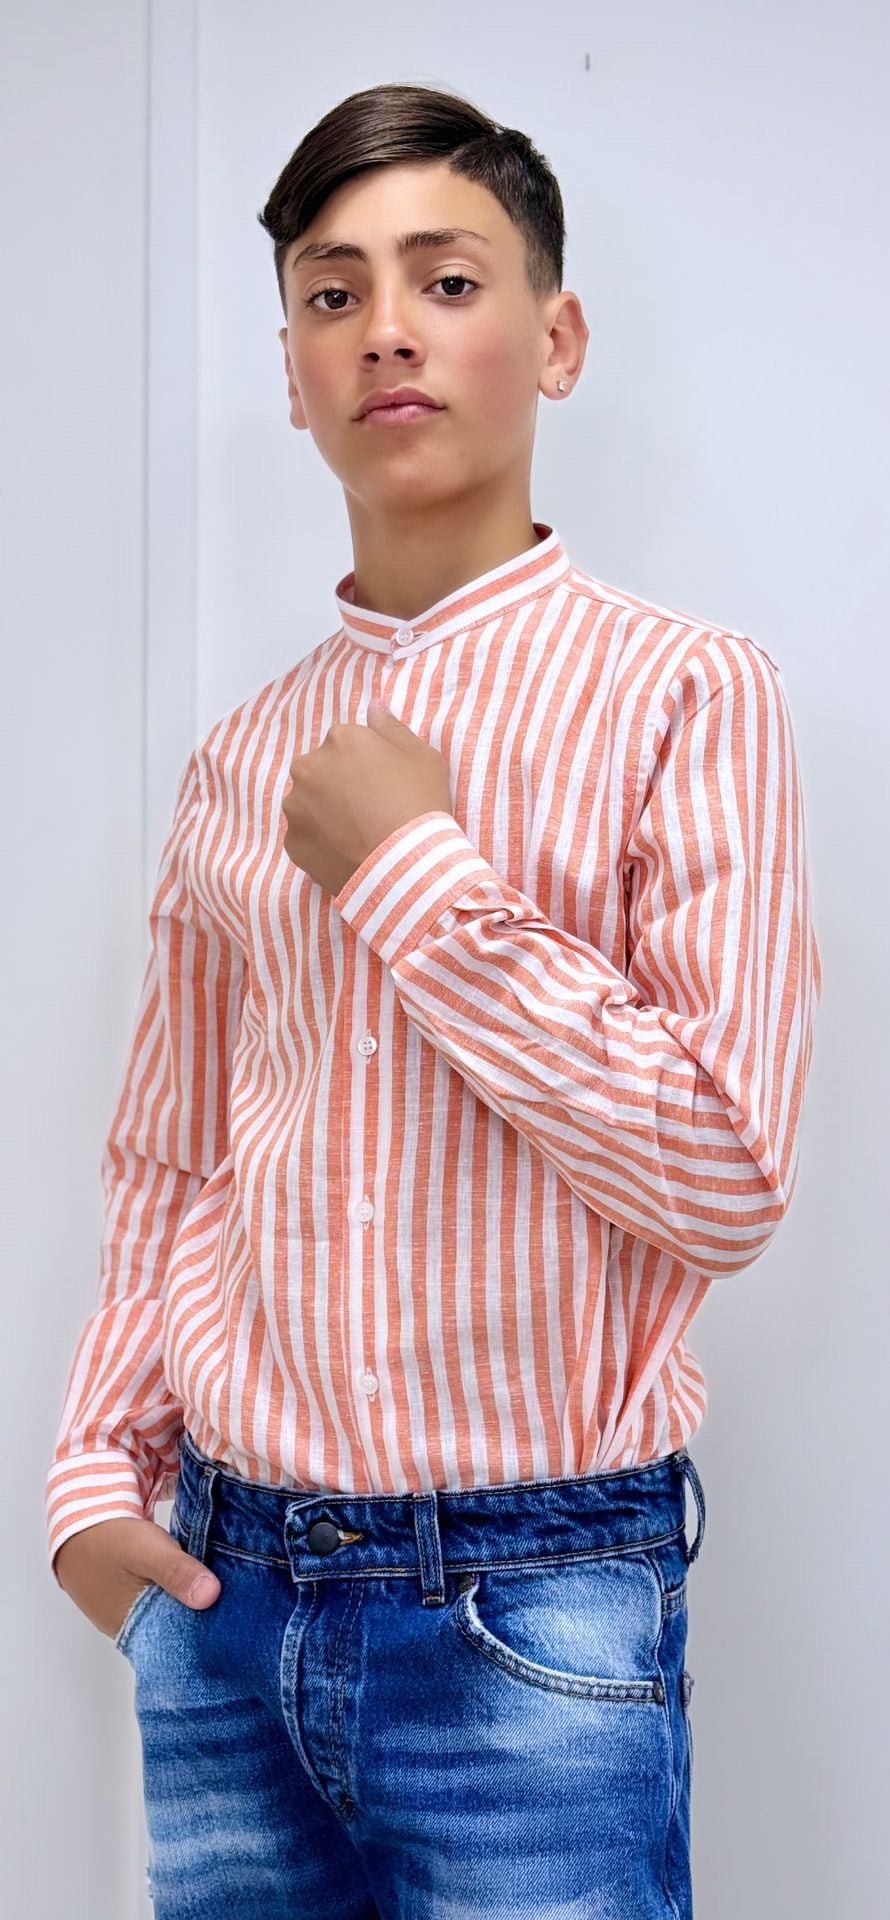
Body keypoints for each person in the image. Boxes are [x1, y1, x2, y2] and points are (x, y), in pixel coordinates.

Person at [45, 79, 822, 1918]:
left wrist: (411, 873)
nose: (386, 327)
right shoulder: (242, 758)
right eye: (333, 294)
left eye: (447, 280)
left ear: (555, 340)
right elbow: (173, 1156)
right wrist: (91, 1482)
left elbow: (726, 1171)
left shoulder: (687, 696)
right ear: (294, 373)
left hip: (534, 1606)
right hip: (223, 1601)